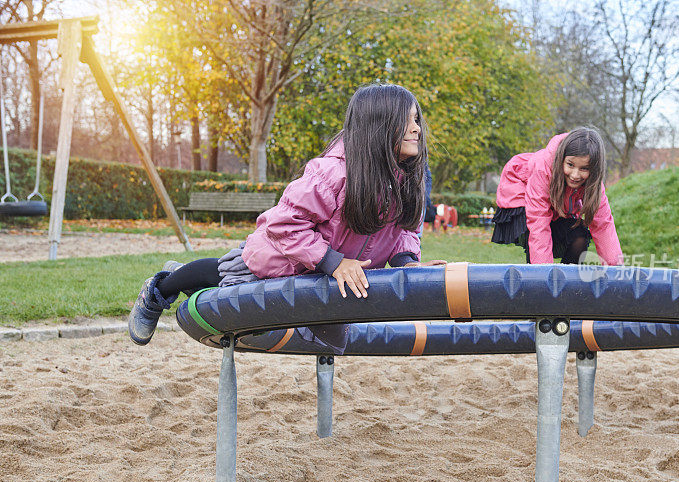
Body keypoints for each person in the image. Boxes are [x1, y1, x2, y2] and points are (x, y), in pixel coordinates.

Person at [128, 84, 445, 348]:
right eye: (407, 120)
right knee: (222, 279)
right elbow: (283, 223)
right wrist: (332, 261)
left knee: (327, 336)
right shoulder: (333, 174)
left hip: (323, 275)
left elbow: (405, 229)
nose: (417, 128)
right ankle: (160, 289)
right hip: (280, 262)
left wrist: (408, 265)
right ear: (379, 125)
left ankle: (176, 277)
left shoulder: (410, 179)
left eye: (417, 119)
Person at [492, 127, 622, 265]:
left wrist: (616, 272)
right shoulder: (543, 169)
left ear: (594, 169)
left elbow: (604, 224)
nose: (575, 175)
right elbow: (538, 221)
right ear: (561, 159)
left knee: (579, 236)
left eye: (584, 168)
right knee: (538, 233)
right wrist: (544, 275)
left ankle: (566, 283)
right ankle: (539, 280)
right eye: (570, 165)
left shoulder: (594, 184)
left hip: (554, 204)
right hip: (521, 191)